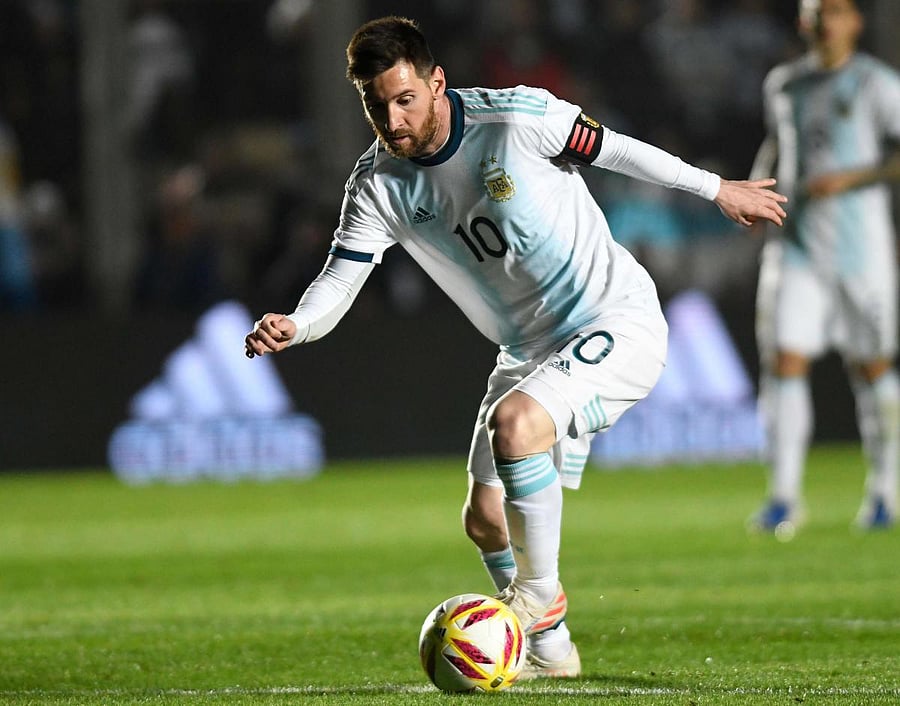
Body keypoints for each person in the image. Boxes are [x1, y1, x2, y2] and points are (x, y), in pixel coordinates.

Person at [245, 16, 787, 679]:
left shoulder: (518, 119)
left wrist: (717, 189)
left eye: (405, 98)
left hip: (614, 319)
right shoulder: (379, 185)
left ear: (436, 82)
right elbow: (340, 280)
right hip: (527, 349)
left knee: (517, 425)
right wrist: (297, 325)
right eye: (376, 104)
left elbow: (618, 150)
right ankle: (552, 651)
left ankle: (534, 596)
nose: (393, 118)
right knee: (484, 519)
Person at [749, 0, 900, 536]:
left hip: (861, 251)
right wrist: (756, 188)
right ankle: (784, 497)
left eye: (833, 10)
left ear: (855, 21)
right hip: (797, 248)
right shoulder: (784, 83)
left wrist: (852, 178)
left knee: (872, 366)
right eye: (814, 11)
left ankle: (885, 490)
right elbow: (777, 142)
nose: (821, 21)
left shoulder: (876, 84)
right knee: (785, 361)